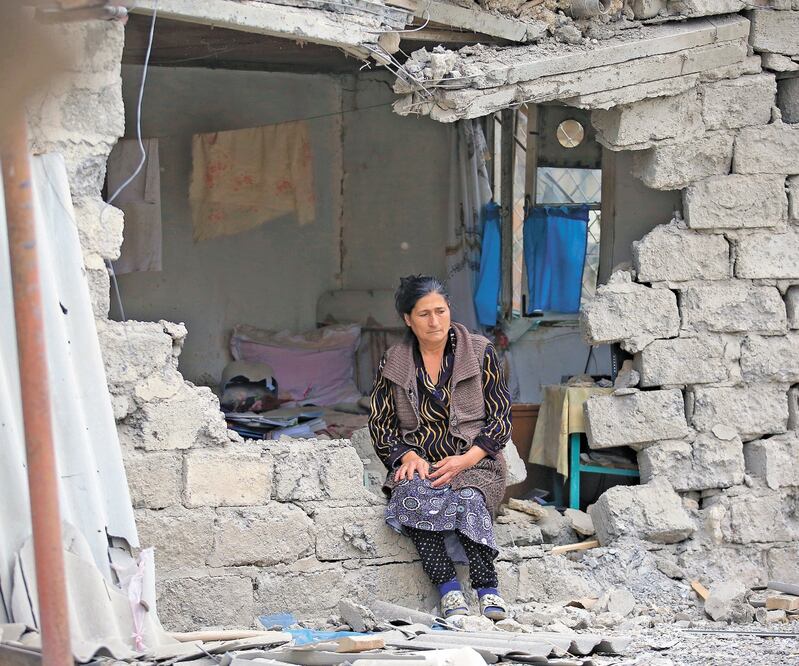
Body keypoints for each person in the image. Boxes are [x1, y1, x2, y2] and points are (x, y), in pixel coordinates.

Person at [368, 275, 512, 620]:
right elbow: (381, 424)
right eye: (424, 314)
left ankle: (488, 590)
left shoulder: (479, 352)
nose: (435, 322)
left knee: (468, 499)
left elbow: (501, 418)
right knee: (410, 496)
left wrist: (467, 459)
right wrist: (406, 455)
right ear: (407, 319)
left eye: (441, 311)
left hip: (476, 461)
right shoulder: (394, 361)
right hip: (421, 462)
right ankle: (448, 590)